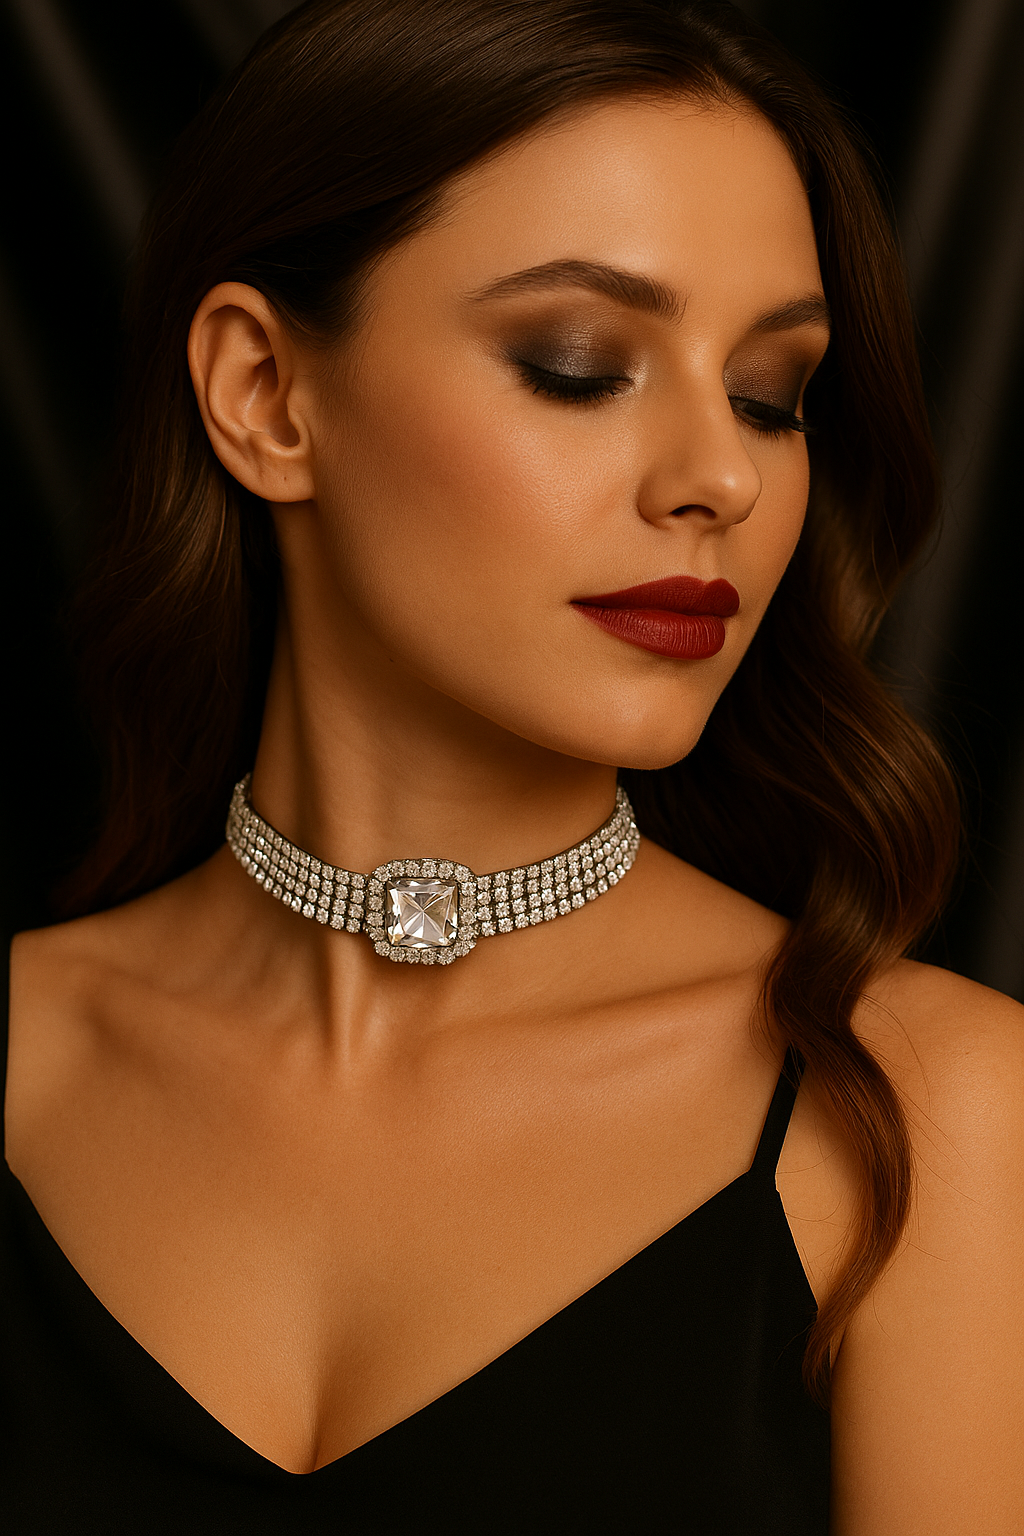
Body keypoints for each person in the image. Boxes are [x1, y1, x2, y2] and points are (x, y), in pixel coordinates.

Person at [3, 0, 1021, 1529]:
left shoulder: (935, 1114)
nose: (723, 478)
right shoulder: (27, 1055)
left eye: (771, 395)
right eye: (577, 362)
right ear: (265, 396)